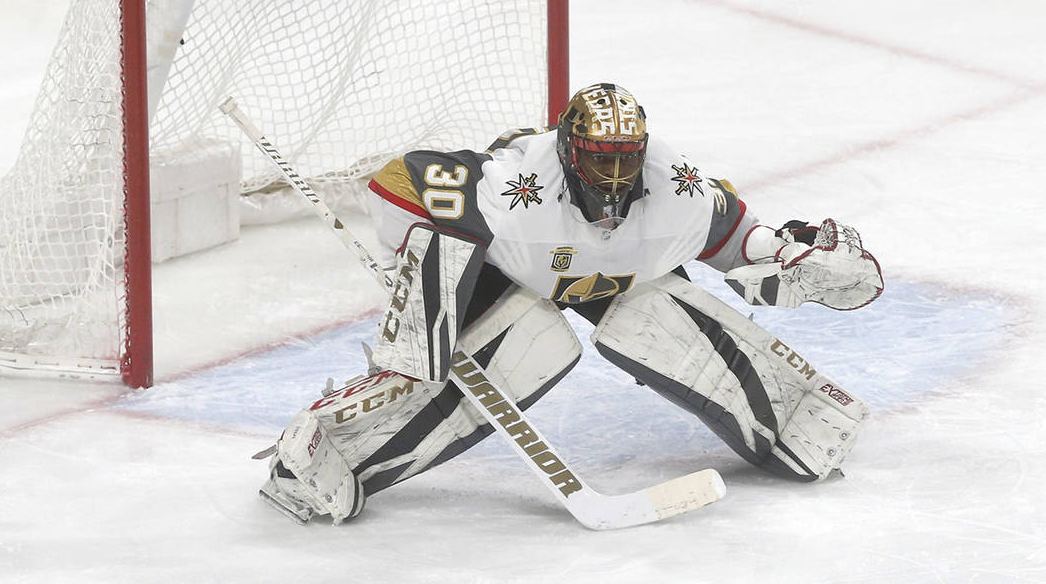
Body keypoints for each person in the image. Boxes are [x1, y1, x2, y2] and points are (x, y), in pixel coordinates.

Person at [258, 83, 884, 524]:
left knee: (656, 318)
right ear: (566, 151)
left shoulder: (679, 189)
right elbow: (398, 181)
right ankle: (324, 452)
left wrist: (792, 255)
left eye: (624, 158)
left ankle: (786, 415)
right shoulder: (514, 193)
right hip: (513, 272)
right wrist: (416, 274)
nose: (613, 176)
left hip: (618, 276)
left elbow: (738, 239)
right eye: (597, 158)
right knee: (530, 345)